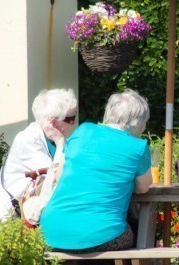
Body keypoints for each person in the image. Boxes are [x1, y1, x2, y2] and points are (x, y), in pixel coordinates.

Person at [40, 89, 152, 252]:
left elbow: (59, 174)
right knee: (139, 230)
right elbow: (143, 188)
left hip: (50, 231)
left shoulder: (82, 131)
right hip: (102, 234)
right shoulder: (138, 147)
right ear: (138, 122)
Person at [0, 88, 77, 220]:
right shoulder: (28, 140)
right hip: (8, 216)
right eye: (70, 119)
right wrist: (61, 143)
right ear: (53, 122)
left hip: (28, 213)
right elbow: (54, 178)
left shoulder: (54, 140)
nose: (73, 124)